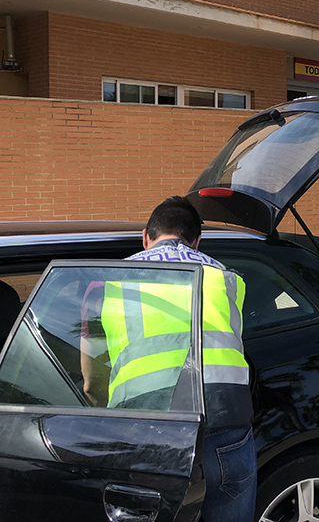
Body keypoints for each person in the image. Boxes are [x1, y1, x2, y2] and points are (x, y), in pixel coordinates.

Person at [81, 196, 256, 522]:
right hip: (226, 419)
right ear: (198, 241)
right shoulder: (227, 279)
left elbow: (91, 382)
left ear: (145, 237)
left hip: (146, 426)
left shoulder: (109, 281)